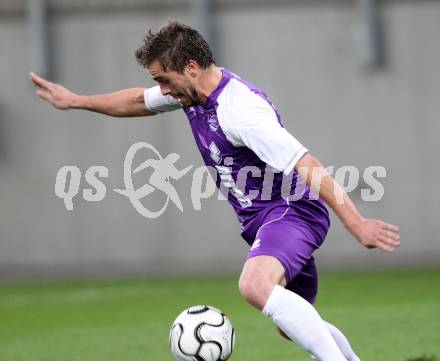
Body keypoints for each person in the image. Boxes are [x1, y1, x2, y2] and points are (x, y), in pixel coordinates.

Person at [30, 21, 400, 361]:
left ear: (191, 67)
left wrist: (357, 223)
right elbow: (138, 102)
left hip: (291, 211)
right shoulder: (190, 93)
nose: (162, 90)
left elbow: (308, 164)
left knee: (254, 286)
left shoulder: (241, 112)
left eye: (164, 79)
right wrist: (76, 101)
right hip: (265, 220)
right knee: (292, 326)